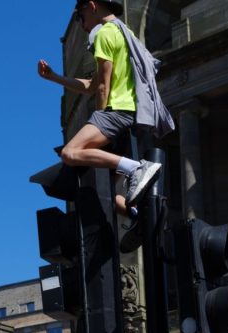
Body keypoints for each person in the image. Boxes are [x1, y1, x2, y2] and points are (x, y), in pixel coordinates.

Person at [37, 0, 170, 209]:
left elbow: (102, 88)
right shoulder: (125, 33)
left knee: (69, 153)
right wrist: (54, 77)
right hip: (131, 116)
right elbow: (91, 85)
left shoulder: (105, 34)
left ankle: (136, 169)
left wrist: (99, 119)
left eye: (80, 17)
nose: (81, 24)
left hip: (116, 111)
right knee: (104, 189)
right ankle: (135, 214)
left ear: (91, 6)